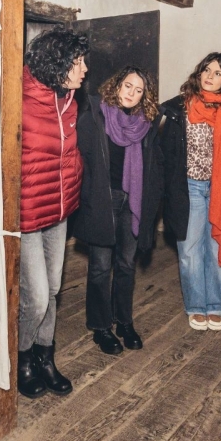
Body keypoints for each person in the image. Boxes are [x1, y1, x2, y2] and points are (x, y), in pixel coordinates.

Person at [161, 52, 221, 331]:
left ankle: (214, 305)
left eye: (218, 72)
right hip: (189, 187)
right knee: (190, 250)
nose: (210, 76)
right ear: (198, 73)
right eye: (206, 69)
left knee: (219, 248)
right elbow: (166, 154)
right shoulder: (180, 109)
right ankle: (195, 306)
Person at [18, 28, 89, 399]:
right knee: (37, 297)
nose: (85, 70)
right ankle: (22, 356)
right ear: (57, 63)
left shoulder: (70, 101)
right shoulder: (19, 100)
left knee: (56, 289)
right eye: (78, 63)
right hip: (27, 213)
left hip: (59, 211)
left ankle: (46, 357)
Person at [73, 66, 164, 355]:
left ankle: (123, 320)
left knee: (126, 265)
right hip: (102, 200)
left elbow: (154, 168)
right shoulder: (95, 117)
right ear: (117, 85)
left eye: (139, 90)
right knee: (100, 267)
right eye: (128, 86)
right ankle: (101, 327)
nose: (132, 94)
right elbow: (80, 161)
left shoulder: (146, 125)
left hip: (132, 202)